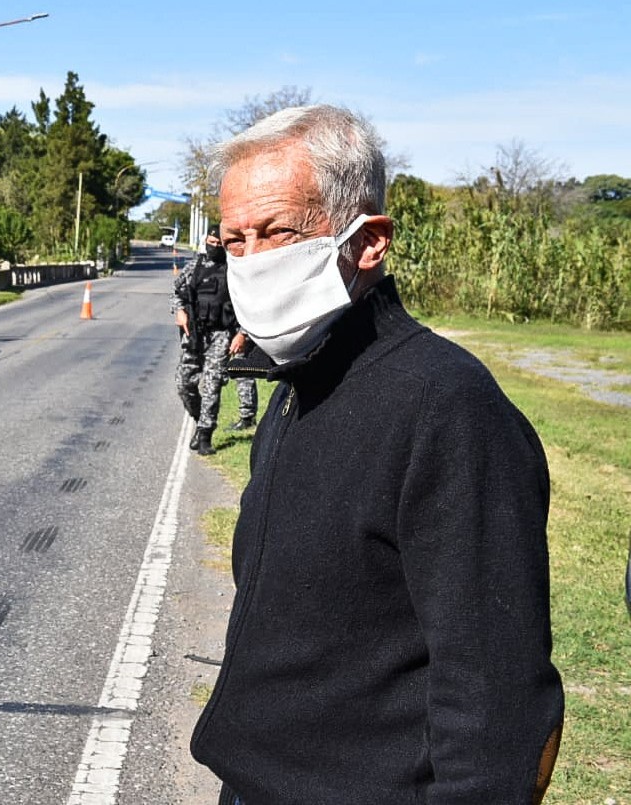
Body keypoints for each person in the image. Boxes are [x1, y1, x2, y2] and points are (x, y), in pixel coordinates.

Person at [188, 105, 564, 804]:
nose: (248, 263)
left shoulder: (446, 405)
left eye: (275, 233)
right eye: (232, 240)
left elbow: (495, 690)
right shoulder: (298, 384)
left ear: (368, 243)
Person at [171, 225, 257, 455]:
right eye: (211, 243)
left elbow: (248, 305)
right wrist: (179, 311)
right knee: (184, 383)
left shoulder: (235, 269)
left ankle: (206, 434)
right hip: (194, 335)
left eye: (219, 244)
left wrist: (242, 334)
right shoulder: (195, 266)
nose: (215, 248)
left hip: (222, 334)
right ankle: (200, 421)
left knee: (212, 385)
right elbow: (177, 293)